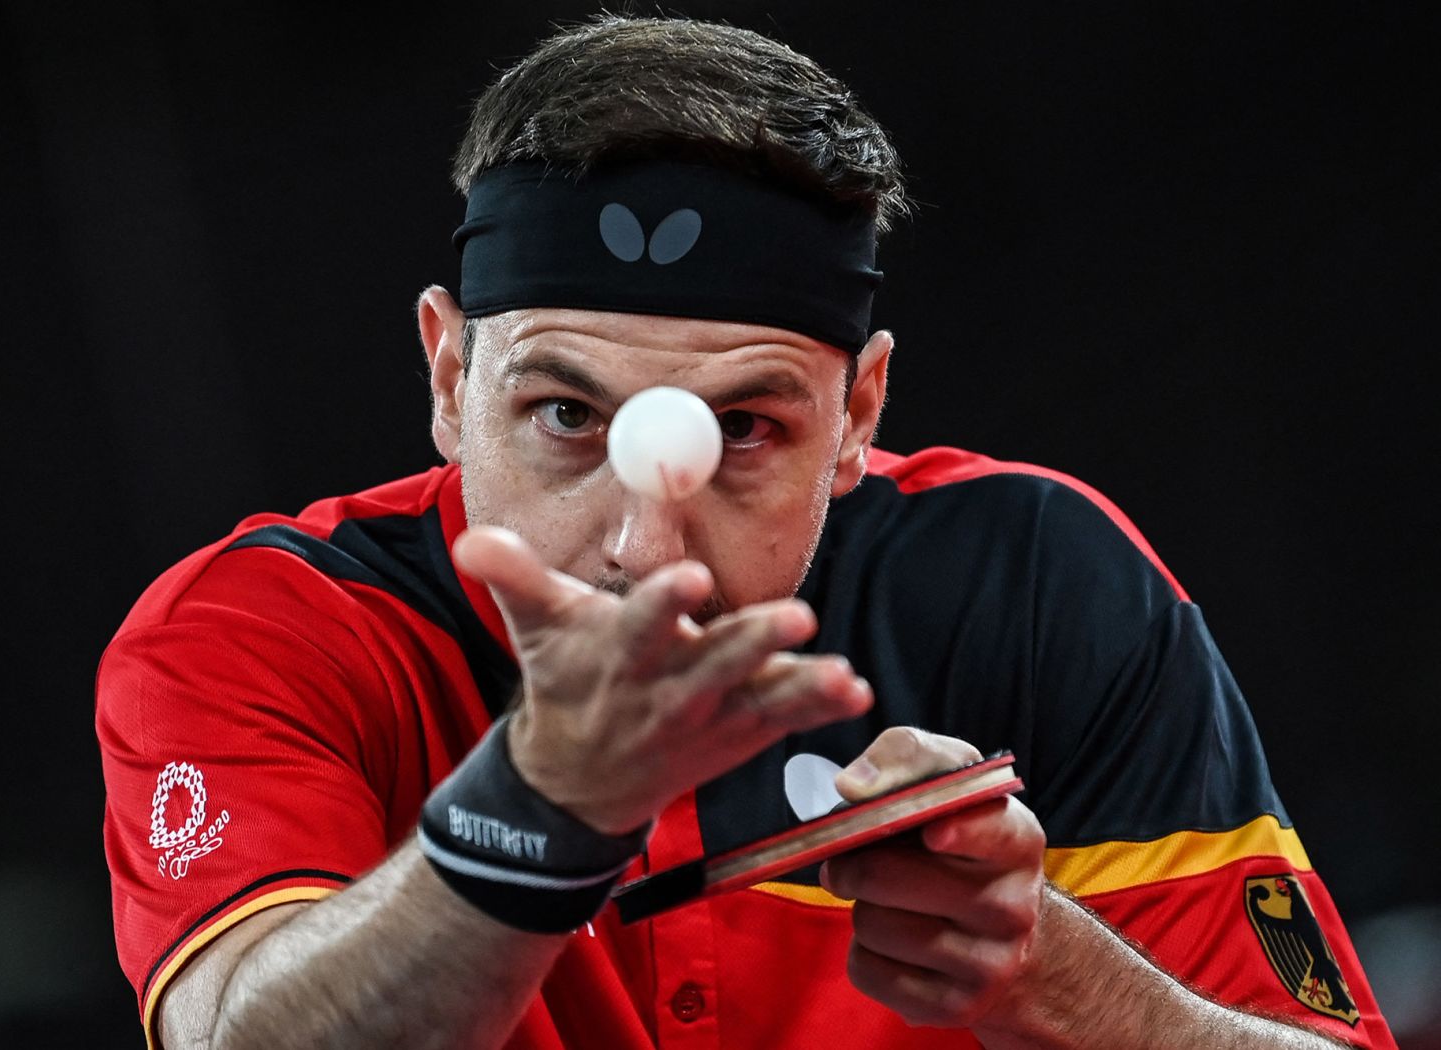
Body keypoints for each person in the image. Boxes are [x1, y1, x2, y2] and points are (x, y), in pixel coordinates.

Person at [96, 14, 1395, 1050]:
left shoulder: (1038, 584)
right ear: (448, 379)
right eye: (562, 412)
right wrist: (535, 812)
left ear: (859, 410)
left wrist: (1055, 976)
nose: (648, 554)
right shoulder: (260, 633)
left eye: (749, 431)